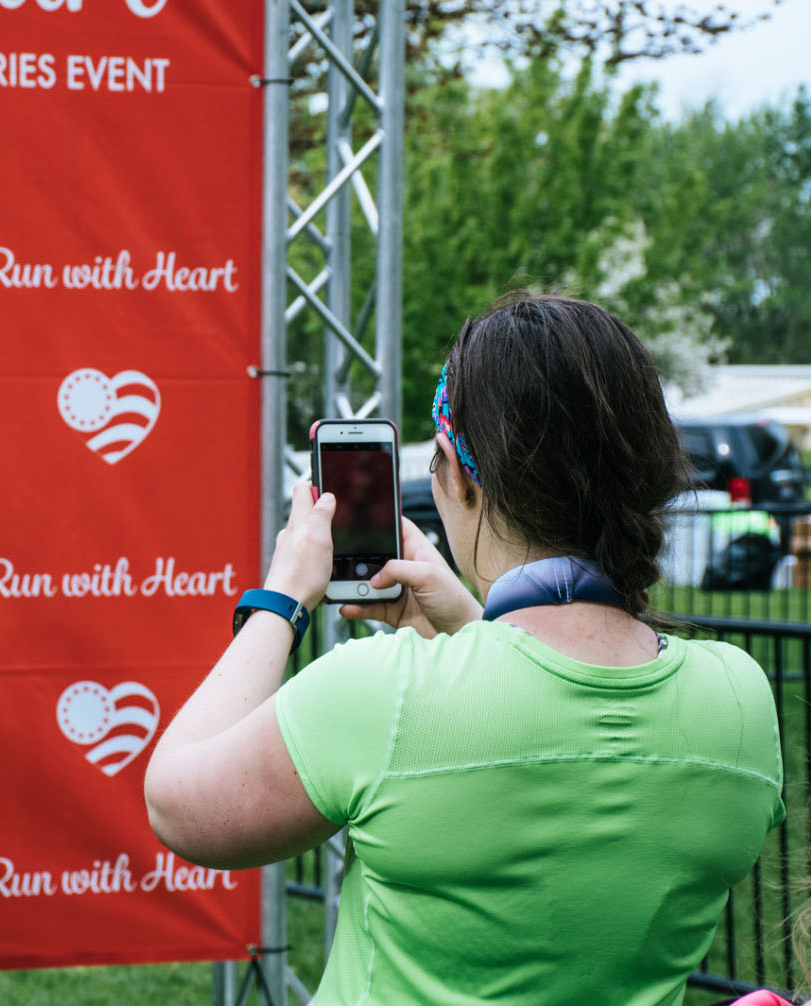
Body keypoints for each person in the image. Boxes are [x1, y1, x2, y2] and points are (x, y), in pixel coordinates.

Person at [145, 294, 785, 1005]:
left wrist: (282, 600)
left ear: (452, 470)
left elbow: (179, 806)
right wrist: (475, 628)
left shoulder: (388, 693)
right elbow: (562, 727)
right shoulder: (739, 701)